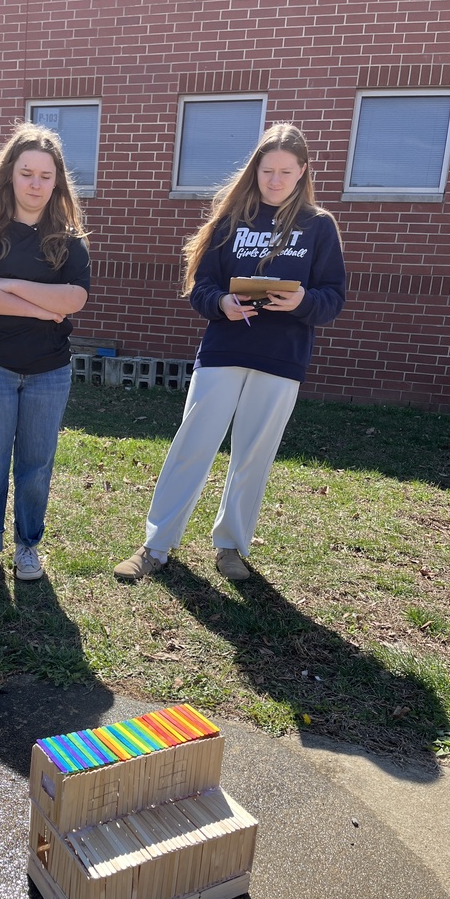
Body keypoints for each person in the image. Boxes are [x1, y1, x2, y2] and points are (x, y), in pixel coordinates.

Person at [115, 122, 346, 583]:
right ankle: (156, 545)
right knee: (191, 445)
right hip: (223, 351)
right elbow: (201, 287)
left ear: (302, 171)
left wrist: (302, 302)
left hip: (282, 359)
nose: (275, 180)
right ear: (255, 171)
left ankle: (230, 547)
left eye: (285, 171)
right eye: (266, 171)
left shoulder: (319, 227)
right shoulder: (231, 220)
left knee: (253, 457)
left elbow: (333, 298)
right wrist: (221, 302)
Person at [0, 122, 90, 583]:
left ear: (57, 181)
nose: (35, 184)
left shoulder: (69, 239)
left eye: (45, 176)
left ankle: (28, 546)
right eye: (27, 172)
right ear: (10, 173)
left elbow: (73, 301)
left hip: (49, 371)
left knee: (35, 465)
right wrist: (39, 306)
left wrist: (8, 285)